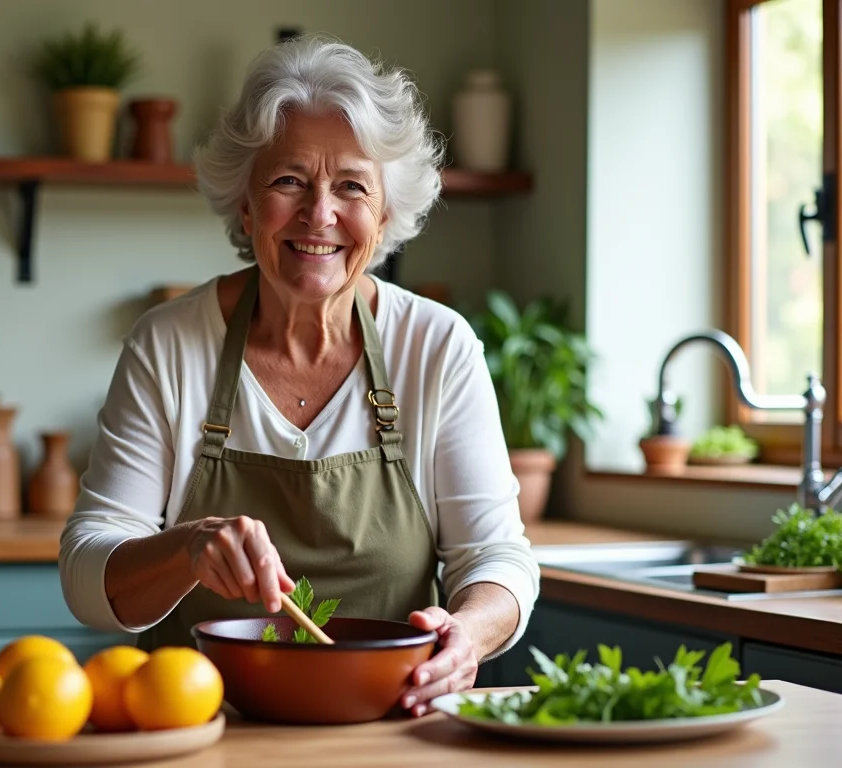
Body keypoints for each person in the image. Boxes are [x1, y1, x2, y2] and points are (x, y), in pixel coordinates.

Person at [58, 35, 540, 718]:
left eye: (351, 186)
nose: (320, 214)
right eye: (289, 181)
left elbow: (497, 558)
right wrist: (188, 548)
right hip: (200, 731)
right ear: (246, 206)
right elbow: (87, 578)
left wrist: (466, 636)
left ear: (384, 215)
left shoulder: (437, 347)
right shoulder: (169, 344)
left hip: (385, 734)